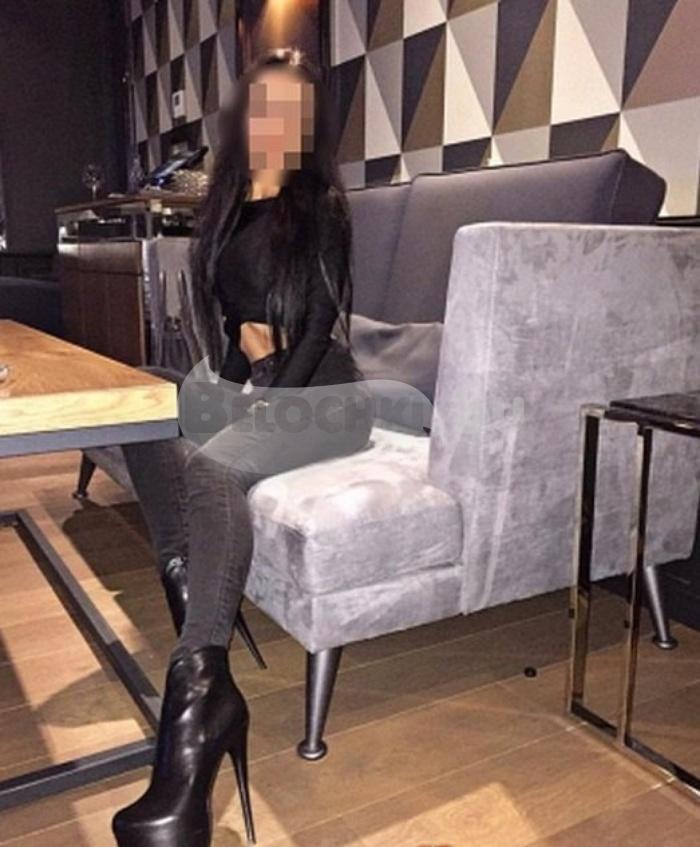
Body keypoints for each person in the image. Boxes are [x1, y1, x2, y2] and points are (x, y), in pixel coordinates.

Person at [112, 48, 373, 847]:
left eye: (296, 110)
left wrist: (261, 401)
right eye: (266, 105)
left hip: (325, 395)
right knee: (145, 398)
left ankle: (197, 713)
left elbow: (317, 328)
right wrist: (222, 393)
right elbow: (236, 330)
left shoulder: (319, 206)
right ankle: (195, 596)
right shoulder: (226, 210)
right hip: (260, 379)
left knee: (214, 463)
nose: (278, 121)